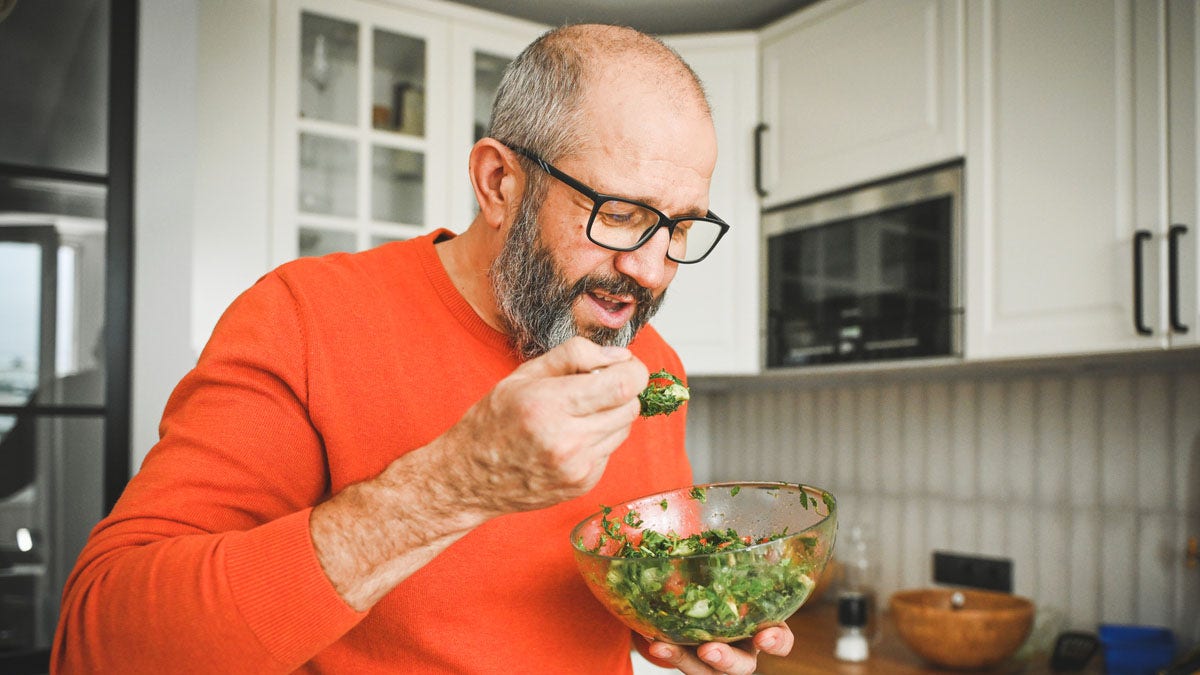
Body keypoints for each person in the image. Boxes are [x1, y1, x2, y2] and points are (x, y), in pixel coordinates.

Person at [51, 24, 794, 674]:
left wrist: (696, 619)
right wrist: (451, 486)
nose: (653, 268)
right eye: (621, 213)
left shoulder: (653, 362)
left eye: (682, 228)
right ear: (499, 182)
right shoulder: (305, 318)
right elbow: (100, 647)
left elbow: (619, 598)